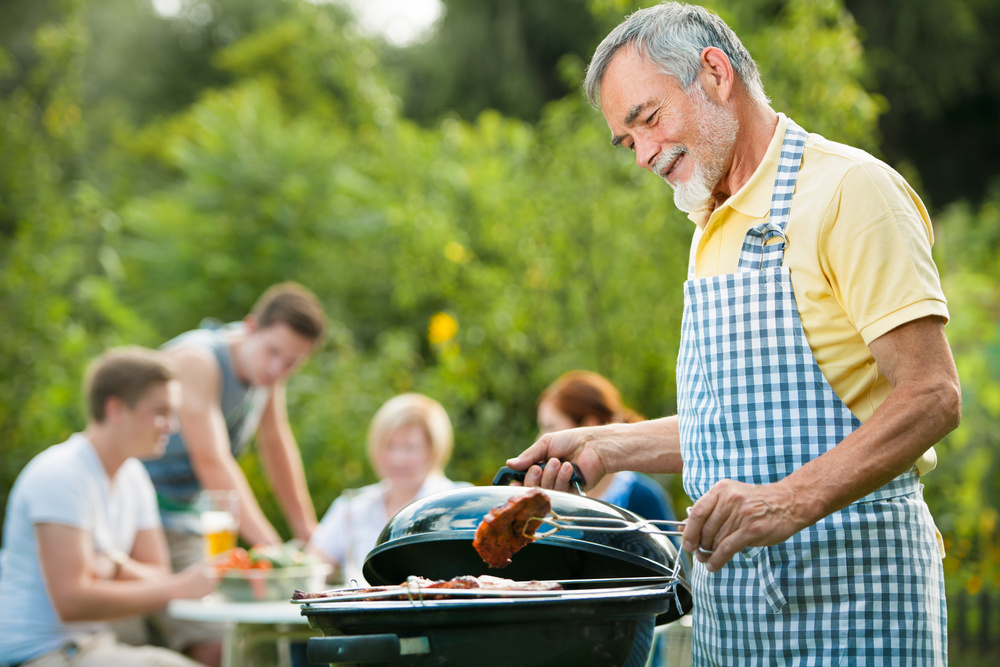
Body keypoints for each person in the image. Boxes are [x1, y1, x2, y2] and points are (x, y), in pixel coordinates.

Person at [507, 3, 960, 665]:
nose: (644, 155)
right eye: (627, 141)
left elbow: (932, 395)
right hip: (735, 617)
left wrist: (787, 501)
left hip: (858, 596)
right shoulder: (708, 226)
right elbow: (740, 425)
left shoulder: (849, 190)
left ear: (716, 75)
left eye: (648, 119)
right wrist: (606, 445)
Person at [142, 282, 325, 664]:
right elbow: (213, 462)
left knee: (231, 644)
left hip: (182, 519)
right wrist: (276, 553)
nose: (277, 368)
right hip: (133, 517)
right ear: (250, 326)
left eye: (291, 363)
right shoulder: (198, 361)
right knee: (196, 642)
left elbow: (276, 446)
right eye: (273, 352)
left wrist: (309, 534)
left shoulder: (267, 375)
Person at [0, 347, 217, 667]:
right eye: (161, 412)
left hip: (91, 647)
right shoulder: (61, 475)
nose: (171, 426)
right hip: (40, 655)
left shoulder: (133, 474)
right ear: (116, 409)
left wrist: (114, 565)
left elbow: (156, 572)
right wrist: (180, 587)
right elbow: (72, 602)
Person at [308, 393, 471, 586]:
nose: (398, 459)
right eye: (390, 446)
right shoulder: (351, 507)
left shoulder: (461, 503)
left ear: (433, 450)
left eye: (410, 448)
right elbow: (310, 570)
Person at [537, 370, 677, 524]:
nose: (540, 438)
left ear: (588, 426)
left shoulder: (643, 498)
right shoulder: (549, 501)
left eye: (550, 426)